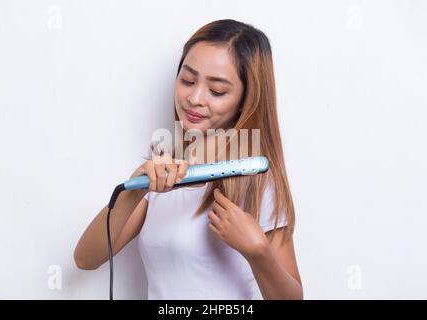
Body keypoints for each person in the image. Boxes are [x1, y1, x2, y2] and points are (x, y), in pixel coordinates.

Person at [74, 19, 303, 300]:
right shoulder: (160, 178)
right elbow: (86, 259)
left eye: (217, 91)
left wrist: (258, 252)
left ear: (246, 98)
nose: (195, 98)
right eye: (187, 80)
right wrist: (137, 186)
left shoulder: (256, 185)